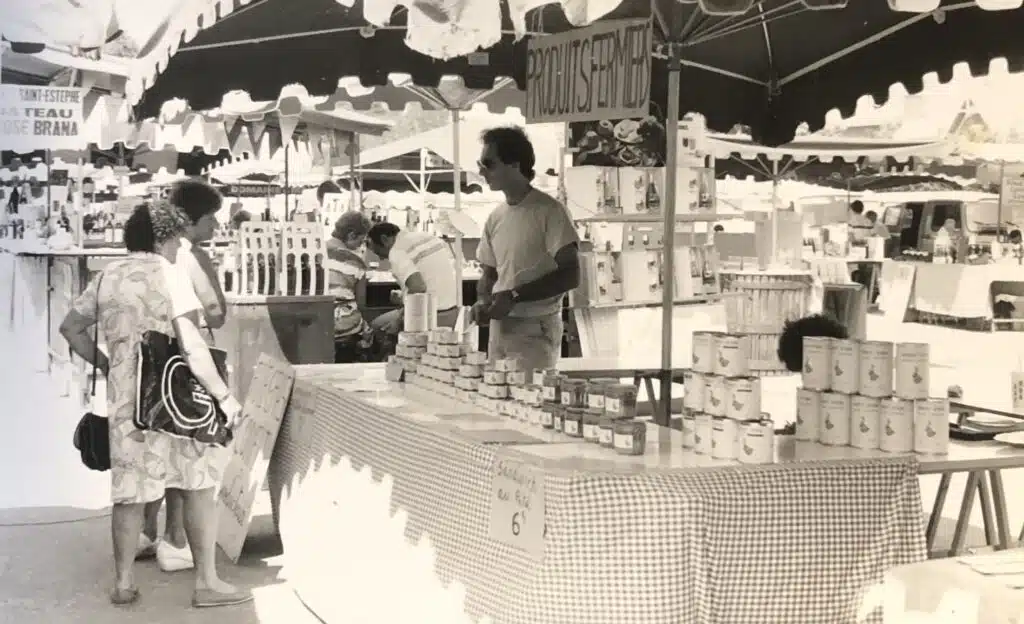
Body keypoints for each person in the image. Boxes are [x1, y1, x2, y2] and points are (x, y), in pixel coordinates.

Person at [59, 201, 251, 608]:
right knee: (198, 483)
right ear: (165, 238)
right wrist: (224, 397)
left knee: (129, 492)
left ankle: (124, 582)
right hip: (175, 399)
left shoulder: (108, 276)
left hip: (128, 403)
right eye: (177, 240)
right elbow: (194, 346)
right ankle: (206, 582)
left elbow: (71, 328)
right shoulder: (171, 274)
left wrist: (110, 364)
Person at [136, 180, 229, 573]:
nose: (215, 228)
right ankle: (175, 540)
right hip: (183, 358)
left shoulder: (148, 250)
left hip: (147, 358)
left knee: (153, 444)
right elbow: (215, 311)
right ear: (193, 220)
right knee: (185, 446)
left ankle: (145, 531)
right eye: (211, 219)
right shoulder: (190, 255)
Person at [471, 126, 580, 374]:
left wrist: (516, 295)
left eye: (489, 163)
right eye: (481, 163)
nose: (481, 171)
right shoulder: (496, 216)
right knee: (497, 401)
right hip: (501, 328)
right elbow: (489, 273)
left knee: (530, 403)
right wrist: (482, 300)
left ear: (514, 164)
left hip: (535, 327)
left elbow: (571, 274)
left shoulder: (550, 211)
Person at [366, 222, 460, 334]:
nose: (381, 259)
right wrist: (404, 297)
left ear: (384, 239)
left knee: (377, 326)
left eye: (378, 252)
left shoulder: (397, 251)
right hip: (453, 312)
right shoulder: (428, 237)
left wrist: (398, 319)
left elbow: (418, 287)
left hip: (429, 317)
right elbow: (431, 281)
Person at [327, 211, 375, 362]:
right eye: (361, 241)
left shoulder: (313, 253)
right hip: (344, 328)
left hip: (317, 321)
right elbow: (361, 304)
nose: (361, 245)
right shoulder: (356, 262)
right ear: (352, 235)